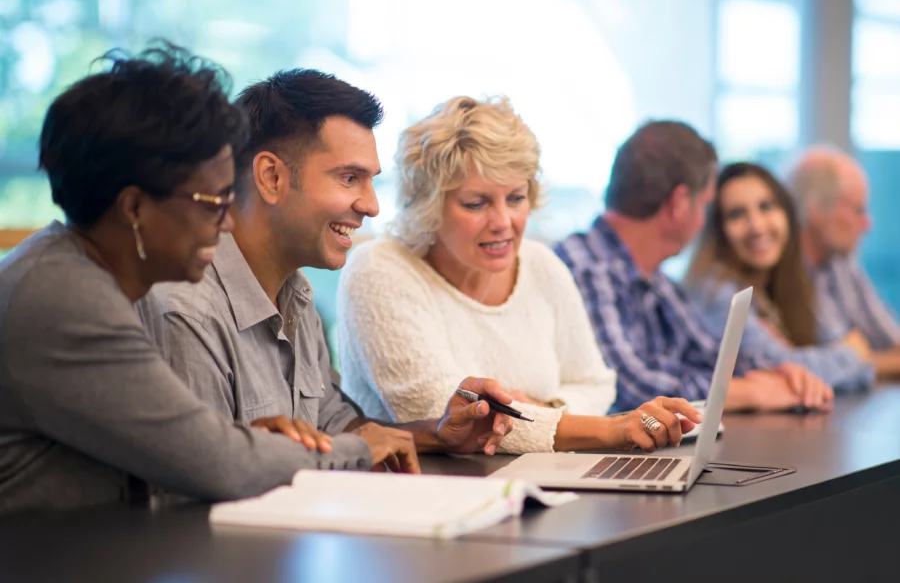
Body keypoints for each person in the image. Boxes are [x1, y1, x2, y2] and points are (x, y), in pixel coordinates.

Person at [0, 44, 505, 517]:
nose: (224, 223)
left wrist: (430, 435)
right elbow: (215, 466)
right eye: (211, 202)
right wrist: (286, 449)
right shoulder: (68, 299)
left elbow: (305, 429)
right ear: (134, 207)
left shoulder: (98, 283)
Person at [139, 70, 513, 463]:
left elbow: (334, 426)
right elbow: (207, 476)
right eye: (350, 178)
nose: (371, 205)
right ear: (271, 177)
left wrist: (437, 434)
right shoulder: (187, 311)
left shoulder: (295, 294)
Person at [337, 96, 704, 456]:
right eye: (476, 204)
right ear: (427, 206)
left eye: (515, 198)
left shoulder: (539, 263)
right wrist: (610, 428)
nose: (503, 223)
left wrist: (548, 406)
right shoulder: (379, 269)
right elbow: (446, 415)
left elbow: (595, 382)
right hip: (421, 494)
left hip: (538, 483)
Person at [554, 120, 834, 414]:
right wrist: (751, 392)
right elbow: (628, 387)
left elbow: (712, 354)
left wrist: (782, 375)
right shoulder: (587, 268)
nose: (703, 222)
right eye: (705, 204)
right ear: (679, 204)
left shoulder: (658, 281)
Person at [683, 161, 874, 392]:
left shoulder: (782, 282)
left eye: (766, 207)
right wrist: (852, 354)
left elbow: (860, 367)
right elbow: (783, 370)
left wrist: (849, 358)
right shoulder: (714, 292)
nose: (756, 226)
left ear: (787, 214)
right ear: (717, 231)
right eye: (736, 214)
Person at [787, 146, 900, 377]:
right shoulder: (784, 275)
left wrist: (862, 357)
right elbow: (840, 364)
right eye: (858, 210)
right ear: (816, 210)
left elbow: (889, 340)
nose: (868, 224)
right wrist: (858, 357)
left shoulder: (842, 264)